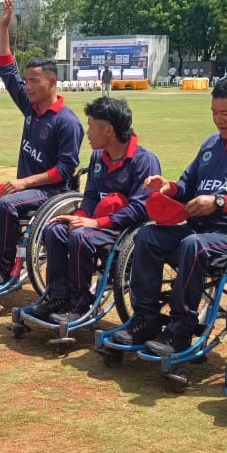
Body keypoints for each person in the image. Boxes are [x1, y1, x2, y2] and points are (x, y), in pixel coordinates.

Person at [113, 75, 227, 353]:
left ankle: (180, 330)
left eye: (226, 114)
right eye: (214, 113)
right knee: (148, 235)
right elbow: (188, 185)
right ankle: (146, 318)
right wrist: (170, 188)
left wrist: (220, 202)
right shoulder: (212, 144)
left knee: (193, 245)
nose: (219, 120)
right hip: (201, 230)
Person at [0, 0, 83, 286]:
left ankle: (5, 270)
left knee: (7, 205)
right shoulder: (31, 108)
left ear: (52, 82)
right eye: (26, 81)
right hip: (24, 189)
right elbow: (6, 69)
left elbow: (65, 171)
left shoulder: (67, 122)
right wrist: (4, 27)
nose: (27, 86)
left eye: (34, 81)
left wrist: (24, 183)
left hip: (52, 193)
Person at [31, 96, 160, 322]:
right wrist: (79, 216)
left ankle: (80, 304)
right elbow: (90, 194)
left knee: (81, 237)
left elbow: (141, 208)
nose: (87, 132)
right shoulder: (97, 156)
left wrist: (97, 223)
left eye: (91, 125)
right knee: (55, 230)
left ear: (108, 130)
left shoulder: (144, 161)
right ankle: (58, 296)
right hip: (96, 224)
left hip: (124, 231)